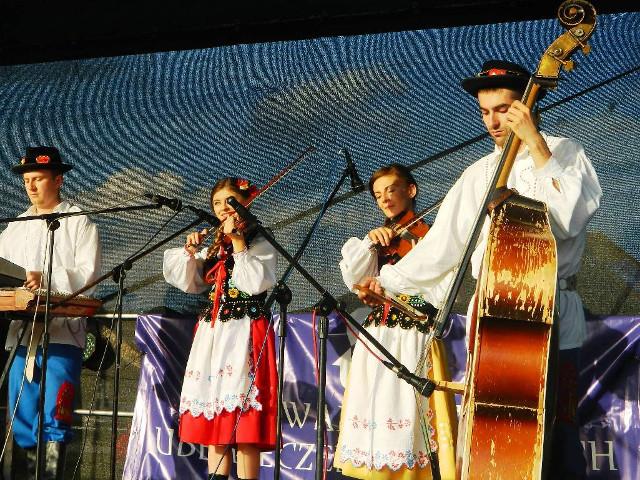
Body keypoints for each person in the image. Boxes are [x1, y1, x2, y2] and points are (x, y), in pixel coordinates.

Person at [359, 60, 602, 478]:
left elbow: (569, 217)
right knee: (493, 434)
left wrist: (535, 144)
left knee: (557, 435)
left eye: (503, 110)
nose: (492, 122)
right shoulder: (478, 174)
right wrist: (386, 282)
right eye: (485, 112)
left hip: (552, 312)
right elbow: (442, 247)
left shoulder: (564, 152)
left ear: (527, 106)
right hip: (490, 315)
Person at [334, 164, 457, 479]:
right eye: (378, 195)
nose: (384, 199)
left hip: (413, 337)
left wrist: (393, 292)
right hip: (378, 337)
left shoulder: (432, 239)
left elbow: (435, 298)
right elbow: (355, 281)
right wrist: (369, 244)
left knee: (410, 420)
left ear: (410, 190)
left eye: (391, 190)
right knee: (375, 413)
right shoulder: (378, 240)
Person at [163, 177, 278, 480]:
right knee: (217, 418)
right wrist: (191, 252)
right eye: (216, 203)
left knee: (243, 418)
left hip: (244, 332)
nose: (222, 208)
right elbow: (191, 283)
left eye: (229, 201)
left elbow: (255, 283)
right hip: (214, 332)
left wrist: (239, 242)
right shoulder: (216, 244)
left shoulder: (258, 239)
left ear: (244, 202)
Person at [0, 146, 102, 479]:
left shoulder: (78, 221)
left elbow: (89, 275)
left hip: (61, 334)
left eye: (38, 178)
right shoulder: (16, 226)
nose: (30, 186)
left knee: (57, 413)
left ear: (58, 180)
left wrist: (46, 278)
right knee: (22, 413)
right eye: (27, 180)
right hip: (22, 335)